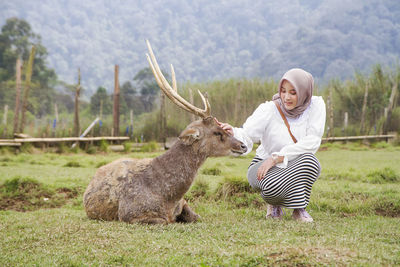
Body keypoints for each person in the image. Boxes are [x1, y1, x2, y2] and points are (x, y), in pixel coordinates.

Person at [216, 68, 326, 222]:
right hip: (262, 165)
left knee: (312, 163)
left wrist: (277, 158)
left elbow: (312, 141)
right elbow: (248, 134)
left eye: (293, 93)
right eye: (283, 91)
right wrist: (233, 133)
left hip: (292, 163)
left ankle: (298, 209)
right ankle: (274, 205)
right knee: (272, 187)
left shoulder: (315, 105)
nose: (286, 97)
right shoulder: (269, 109)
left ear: (304, 92)